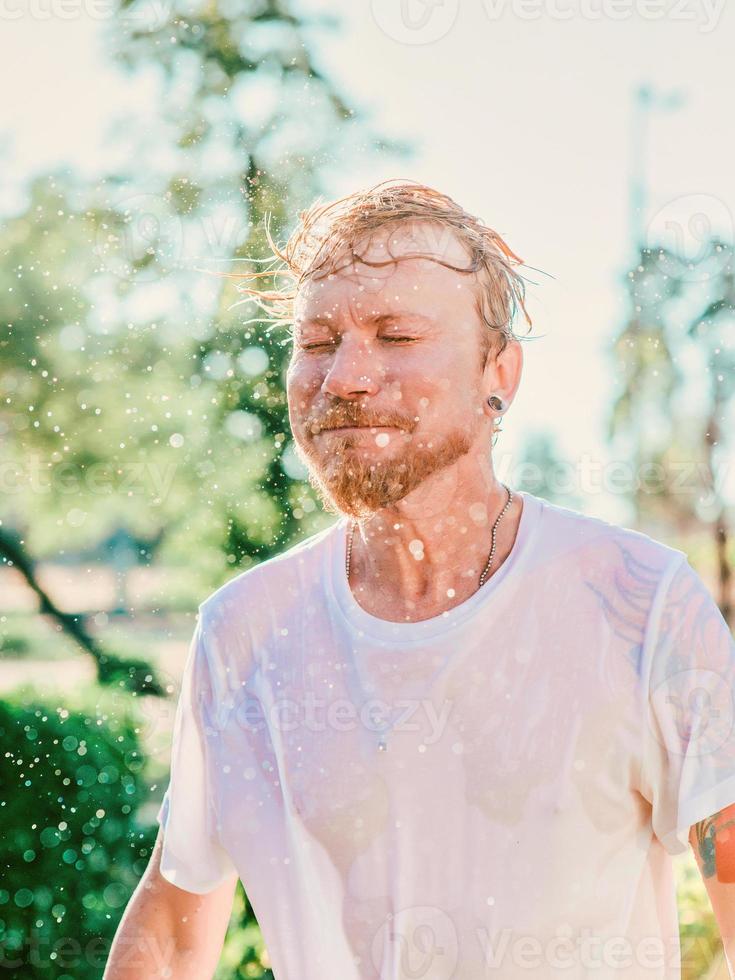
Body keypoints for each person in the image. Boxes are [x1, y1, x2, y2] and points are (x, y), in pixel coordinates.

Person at [104, 180, 735, 979]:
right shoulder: (244, 630)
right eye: (318, 341)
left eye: (395, 335)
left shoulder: (637, 602)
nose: (345, 379)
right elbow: (172, 913)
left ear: (497, 371)